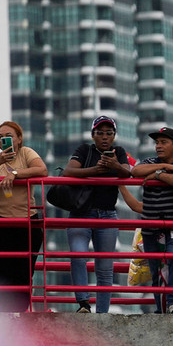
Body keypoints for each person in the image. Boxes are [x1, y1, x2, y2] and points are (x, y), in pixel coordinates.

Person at [0, 121, 48, 312]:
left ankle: (20, 315)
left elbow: (42, 170)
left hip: (27, 223)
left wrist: (15, 173)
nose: (3, 139)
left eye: (8, 136)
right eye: (0, 137)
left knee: (24, 274)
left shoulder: (26, 153)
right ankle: (4, 317)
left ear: (18, 139)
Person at [62, 116, 131, 313]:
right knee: (78, 256)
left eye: (109, 133)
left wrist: (115, 165)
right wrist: (96, 169)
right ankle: (83, 304)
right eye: (100, 133)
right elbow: (69, 171)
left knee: (105, 268)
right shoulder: (85, 150)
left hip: (107, 215)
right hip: (80, 214)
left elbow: (127, 173)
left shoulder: (119, 153)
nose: (104, 137)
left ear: (114, 136)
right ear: (93, 135)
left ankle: (102, 313)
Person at [130, 127, 173, 314]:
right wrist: (165, 168)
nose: (158, 146)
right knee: (156, 269)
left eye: (163, 142)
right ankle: (162, 309)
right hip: (150, 225)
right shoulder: (150, 161)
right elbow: (136, 171)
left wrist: (158, 176)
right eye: (157, 142)